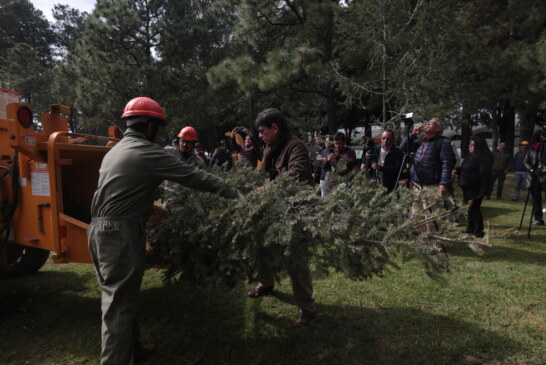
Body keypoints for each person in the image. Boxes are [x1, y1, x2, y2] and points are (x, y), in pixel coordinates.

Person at [88, 97, 236, 365]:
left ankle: (133, 350)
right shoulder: (147, 152)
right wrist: (234, 192)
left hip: (98, 231)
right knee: (118, 307)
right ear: (150, 126)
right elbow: (196, 177)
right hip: (119, 233)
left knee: (121, 299)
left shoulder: (115, 151)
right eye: (161, 127)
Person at [246, 108, 315, 328]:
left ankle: (307, 308)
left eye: (262, 130)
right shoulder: (269, 146)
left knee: (296, 259)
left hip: (295, 211)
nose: (260, 135)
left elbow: (297, 173)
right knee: (262, 247)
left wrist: (265, 190)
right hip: (272, 208)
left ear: (275, 127)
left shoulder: (295, 146)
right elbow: (263, 172)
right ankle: (266, 283)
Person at [399, 118, 455, 232]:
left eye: (431, 123)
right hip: (416, 184)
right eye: (427, 123)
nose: (427, 124)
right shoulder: (420, 141)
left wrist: (444, 183)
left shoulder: (443, 143)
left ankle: (435, 241)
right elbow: (402, 148)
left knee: (432, 214)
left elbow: (447, 164)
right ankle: (421, 240)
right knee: (416, 212)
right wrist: (413, 134)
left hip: (432, 185)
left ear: (438, 128)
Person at [455, 136, 493, 238]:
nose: (469, 147)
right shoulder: (471, 156)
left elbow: (485, 174)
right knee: (469, 209)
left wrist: (484, 190)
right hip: (467, 186)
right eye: (470, 144)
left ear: (478, 146)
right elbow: (464, 168)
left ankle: (478, 231)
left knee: (474, 208)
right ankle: (470, 228)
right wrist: (457, 171)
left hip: (476, 187)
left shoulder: (483, 157)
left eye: (472, 145)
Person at [524, 131, 546, 226]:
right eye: (541, 135)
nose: (542, 137)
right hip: (534, 177)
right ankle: (538, 219)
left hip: (544, 176)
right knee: (536, 199)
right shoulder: (532, 148)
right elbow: (526, 161)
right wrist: (531, 169)